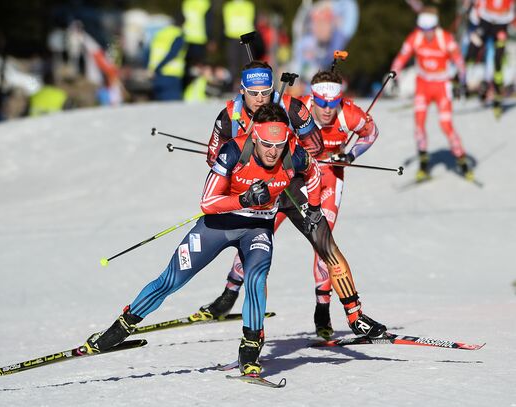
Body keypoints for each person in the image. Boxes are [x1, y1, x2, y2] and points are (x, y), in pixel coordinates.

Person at [81, 103, 323, 376]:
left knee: (256, 279)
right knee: (171, 280)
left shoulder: (294, 154)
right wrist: (243, 199)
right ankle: (120, 328)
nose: (273, 151)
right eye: (267, 143)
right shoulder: (233, 151)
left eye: (279, 145)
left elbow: (315, 174)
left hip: (258, 228)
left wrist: (314, 208)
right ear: (255, 136)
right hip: (217, 225)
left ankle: (250, 348)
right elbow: (208, 202)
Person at [200, 61, 387, 340]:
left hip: (298, 185)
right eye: (254, 93)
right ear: (243, 91)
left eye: (265, 92)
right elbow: (213, 158)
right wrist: (242, 156)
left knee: (326, 245)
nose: (260, 98)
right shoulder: (229, 115)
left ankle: (354, 315)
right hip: (261, 191)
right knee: (255, 256)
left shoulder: (294, 108)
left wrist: (294, 146)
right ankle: (241, 313)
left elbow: (315, 147)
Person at [391, 6, 474, 182]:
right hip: (423, 86)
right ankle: (423, 165)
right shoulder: (415, 37)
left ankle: (462, 161)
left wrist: (462, 81)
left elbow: (459, 62)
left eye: (430, 30)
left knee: (446, 125)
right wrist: (393, 75)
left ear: (435, 27)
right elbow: (401, 57)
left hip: (442, 86)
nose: (427, 34)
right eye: (423, 30)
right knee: (419, 125)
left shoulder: (446, 39)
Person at [465, 0, 515, 118]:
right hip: (486, 20)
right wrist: (473, 10)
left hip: (502, 23)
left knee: (498, 61)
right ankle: (461, 80)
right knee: (473, 49)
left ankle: (498, 96)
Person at [148, 19, 187, 101]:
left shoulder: (159, 34)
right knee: (172, 108)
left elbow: (148, 53)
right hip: (171, 76)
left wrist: (152, 69)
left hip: (156, 77)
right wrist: (158, 67)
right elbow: (173, 53)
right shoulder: (178, 35)